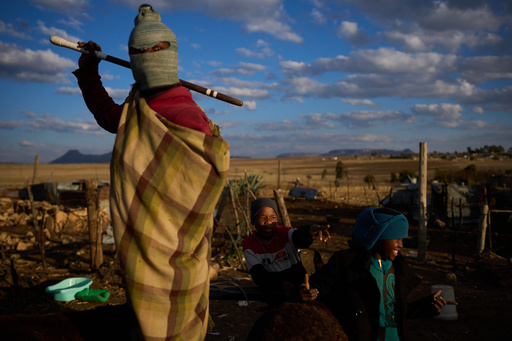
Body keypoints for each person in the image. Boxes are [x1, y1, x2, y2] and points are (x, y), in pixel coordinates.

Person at [73, 4, 230, 341]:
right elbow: (107, 116)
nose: (146, 55)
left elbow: (202, 181)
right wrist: (88, 73)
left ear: (168, 53)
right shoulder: (137, 109)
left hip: (177, 250)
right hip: (141, 252)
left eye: (153, 49)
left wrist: (89, 73)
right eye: (138, 51)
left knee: (173, 319)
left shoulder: (187, 116)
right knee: (143, 319)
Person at [301, 207, 457, 341]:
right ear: (377, 237)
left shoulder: (398, 268)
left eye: (403, 239)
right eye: (396, 239)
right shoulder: (346, 264)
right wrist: (306, 293)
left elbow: (390, 311)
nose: (401, 245)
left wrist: (426, 307)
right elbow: (315, 292)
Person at [242, 197, 330, 306]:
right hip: (276, 295)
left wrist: (310, 230)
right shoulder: (249, 244)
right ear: (253, 220)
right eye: (263, 217)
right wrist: (287, 288)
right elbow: (260, 276)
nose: (268, 222)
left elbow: (299, 237)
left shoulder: (285, 233)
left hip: (302, 288)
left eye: (273, 217)